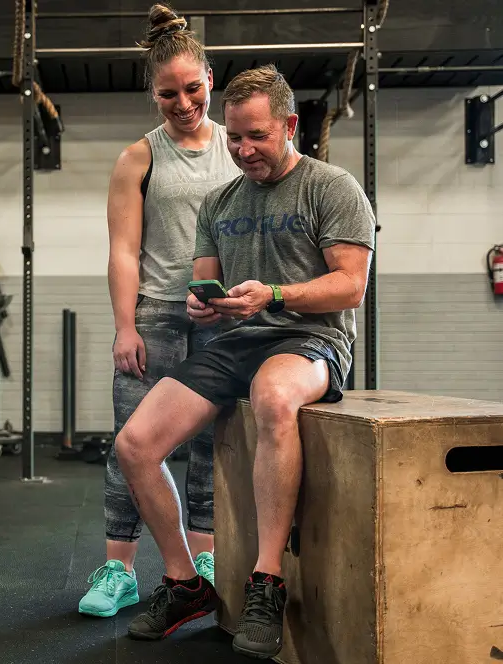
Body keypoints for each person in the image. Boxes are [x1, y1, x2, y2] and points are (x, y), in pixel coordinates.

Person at [113, 64, 376, 657]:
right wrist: (206, 306)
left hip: (312, 340)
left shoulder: (331, 187)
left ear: (288, 125)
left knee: (272, 397)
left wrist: (275, 295)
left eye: (256, 135)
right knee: (134, 446)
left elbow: (350, 286)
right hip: (240, 337)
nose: (242, 149)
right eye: (234, 137)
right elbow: (206, 283)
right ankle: (184, 583)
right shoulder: (219, 201)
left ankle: (266, 581)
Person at [77, 4, 241, 618]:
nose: (184, 102)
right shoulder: (138, 159)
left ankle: (202, 562)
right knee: (131, 446)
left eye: (193, 88)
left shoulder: (238, 149)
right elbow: (122, 251)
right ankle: (118, 569)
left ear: (209, 79)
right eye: (169, 92)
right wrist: (125, 326)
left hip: (224, 317)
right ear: (154, 93)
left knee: (211, 452)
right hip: (154, 315)